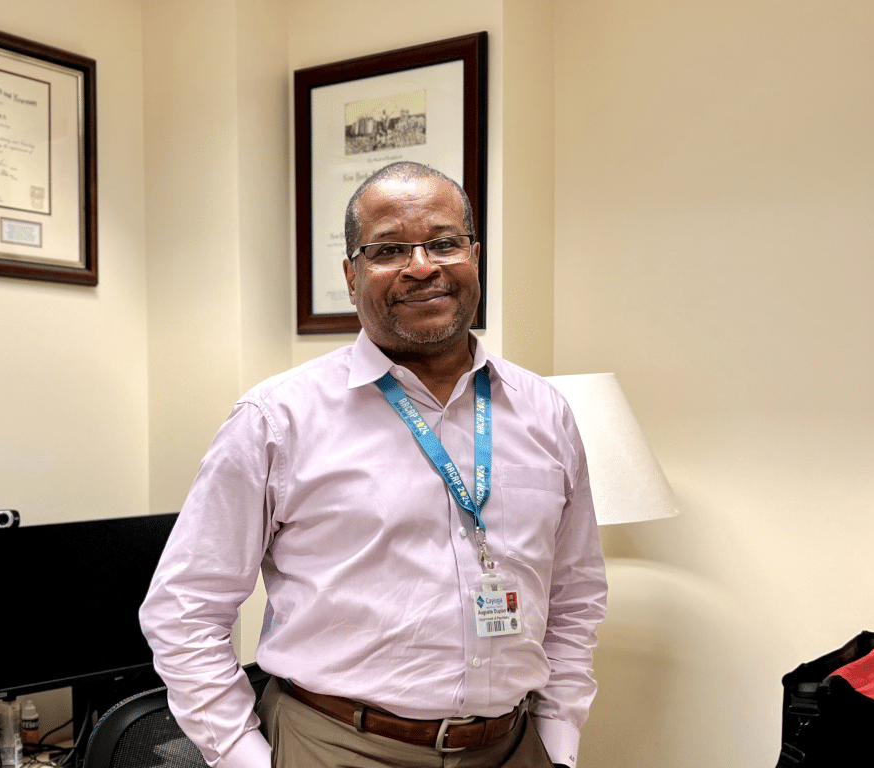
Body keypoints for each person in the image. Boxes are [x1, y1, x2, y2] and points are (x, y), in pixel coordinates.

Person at [140, 161, 607, 768]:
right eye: (388, 249)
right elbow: (185, 608)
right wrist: (241, 756)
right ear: (351, 274)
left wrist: (559, 742)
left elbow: (575, 595)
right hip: (338, 746)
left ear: (474, 256)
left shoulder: (546, 412)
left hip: (514, 747)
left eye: (444, 243)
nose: (422, 266)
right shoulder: (276, 419)